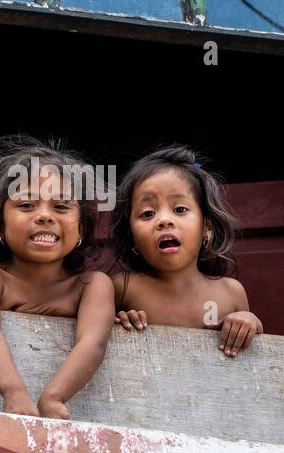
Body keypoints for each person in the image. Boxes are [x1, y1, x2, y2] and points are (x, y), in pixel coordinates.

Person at [0, 136, 115, 418]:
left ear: (81, 231)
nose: (44, 216)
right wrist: (14, 393)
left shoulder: (91, 286)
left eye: (61, 207)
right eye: (27, 205)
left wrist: (54, 397)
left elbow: (94, 342)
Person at [111, 146, 263, 356]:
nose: (164, 220)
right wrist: (118, 322)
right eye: (147, 213)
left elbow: (251, 348)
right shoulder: (123, 288)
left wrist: (249, 322)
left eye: (180, 209)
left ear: (207, 228)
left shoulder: (231, 292)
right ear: (132, 238)